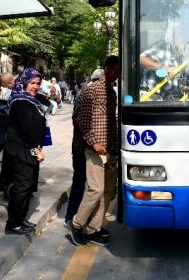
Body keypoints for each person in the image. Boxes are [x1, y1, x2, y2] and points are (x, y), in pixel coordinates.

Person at [69, 56, 120, 247]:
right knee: (95, 189)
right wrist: (93, 142)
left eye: (118, 71)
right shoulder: (92, 89)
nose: (116, 74)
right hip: (94, 149)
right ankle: (76, 223)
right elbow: (80, 120)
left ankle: (93, 229)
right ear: (106, 68)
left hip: (111, 148)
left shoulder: (112, 92)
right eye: (114, 70)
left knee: (107, 192)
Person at [3, 68, 47, 234]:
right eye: (32, 83)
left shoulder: (30, 99)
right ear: (23, 82)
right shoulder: (21, 101)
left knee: (27, 186)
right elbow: (26, 130)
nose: (35, 87)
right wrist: (37, 151)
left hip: (26, 150)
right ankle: (13, 224)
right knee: (23, 186)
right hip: (20, 150)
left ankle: (20, 219)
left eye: (38, 83)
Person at [64, 68, 105, 226]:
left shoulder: (89, 93)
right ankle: (71, 217)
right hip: (82, 147)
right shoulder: (87, 94)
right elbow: (76, 120)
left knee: (87, 185)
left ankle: (78, 217)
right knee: (81, 183)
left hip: (85, 147)